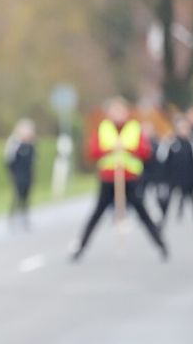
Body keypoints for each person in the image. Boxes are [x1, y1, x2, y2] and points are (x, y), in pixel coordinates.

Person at [71, 97, 168, 261]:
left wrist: (128, 150)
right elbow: (93, 152)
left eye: (120, 111)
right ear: (109, 113)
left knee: (143, 213)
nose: (117, 114)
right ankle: (80, 248)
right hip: (109, 178)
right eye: (113, 111)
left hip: (129, 178)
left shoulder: (134, 128)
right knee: (97, 214)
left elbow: (146, 151)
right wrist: (110, 150)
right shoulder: (103, 129)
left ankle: (161, 246)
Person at [157, 116, 193, 232]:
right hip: (173, 177)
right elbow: (161, 157)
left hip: (188, 177)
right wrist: (164, 143)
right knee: (167, 201)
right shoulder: (171, 141)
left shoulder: (192, 141)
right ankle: (162, 223)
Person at [4, 118, 36, 231]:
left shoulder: (31, 146)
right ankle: (12, 218)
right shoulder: (14, 144)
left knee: (26, 197)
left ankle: (24, 218)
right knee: (17, 196)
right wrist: (12, 174)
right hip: (18, 175)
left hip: (28, 175)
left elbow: (32, 162)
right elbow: (9, 161)